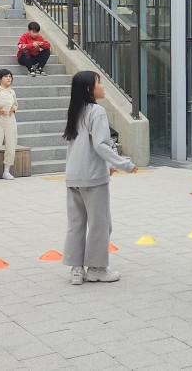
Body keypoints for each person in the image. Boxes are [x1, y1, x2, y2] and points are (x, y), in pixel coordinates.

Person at [62, 71, 136, 285]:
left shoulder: (75, 111)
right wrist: (124, 164)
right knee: (100, 224)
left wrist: (108, 165)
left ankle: (76, 269)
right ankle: (96, 268)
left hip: (74, 176)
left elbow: (83, 146)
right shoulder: (97, 111)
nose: (103, 87)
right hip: (93, 177)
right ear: (89, 89)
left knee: (76, 223)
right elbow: (100, 145)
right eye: (99, 83)